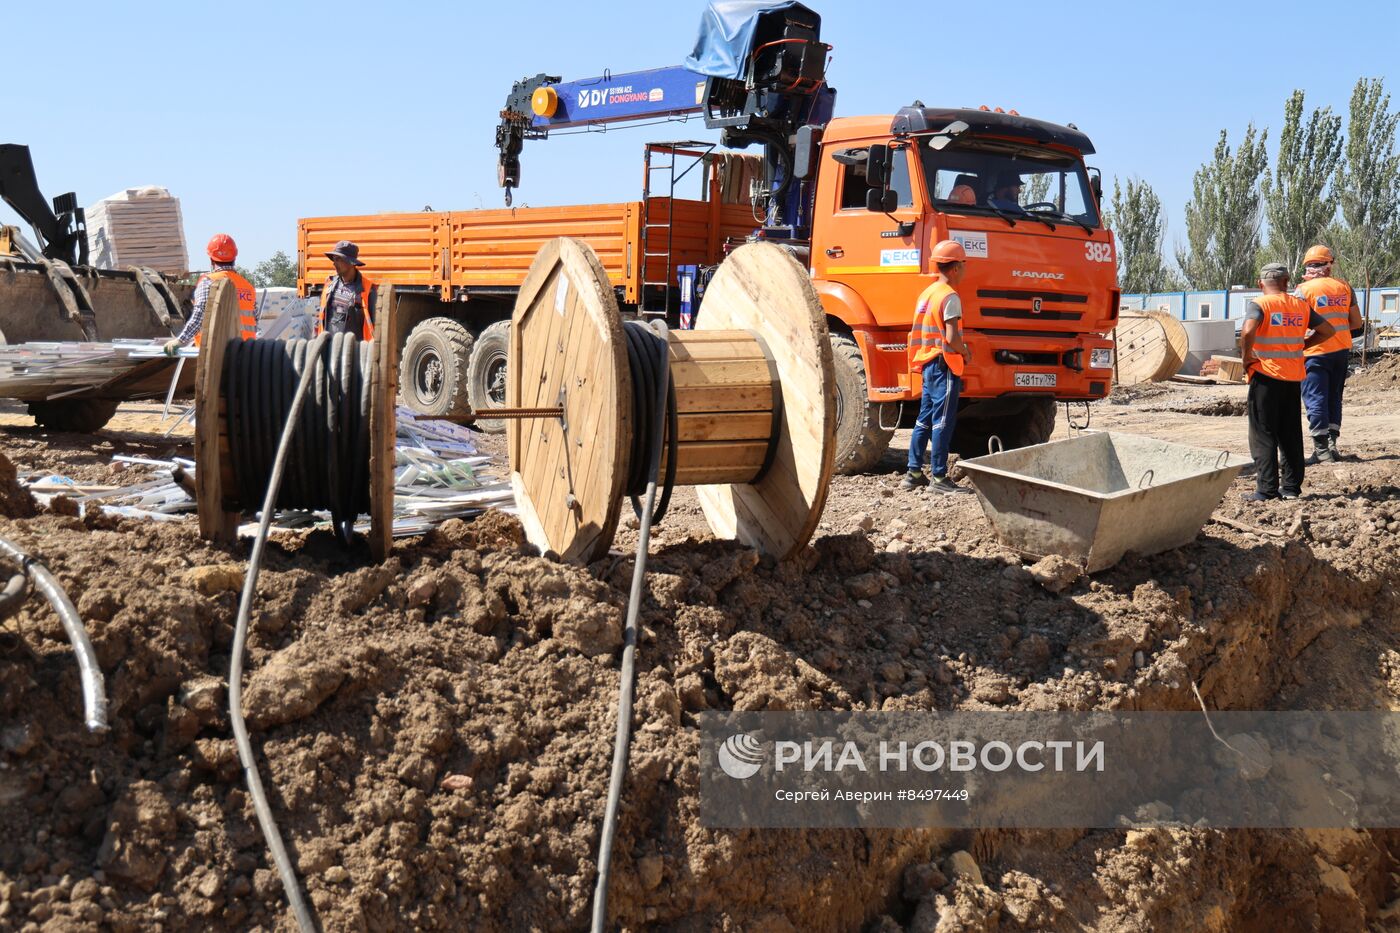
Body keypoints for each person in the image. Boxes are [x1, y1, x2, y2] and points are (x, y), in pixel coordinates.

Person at [1239, 262, 1335, 502]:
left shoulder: (1261, 303)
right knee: (1290, 433)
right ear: (1287, 282)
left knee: (1263, 433)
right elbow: (1328, 331)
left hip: (1266, 375)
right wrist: (1303, 345)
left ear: (1261, 284)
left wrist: (1246, 357)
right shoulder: (1301, 306)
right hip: (1293, 378)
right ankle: (1291, 488)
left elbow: (1248, 330)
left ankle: (1266, 490)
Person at [902, 240, 974, 493]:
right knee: (942, 421)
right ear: (955, 268)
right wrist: (965, 352)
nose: (965, 270)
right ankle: (940, 478)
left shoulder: (927, 293)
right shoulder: (950, 296)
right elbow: (953, 337)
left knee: (923, 419)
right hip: (945, 364)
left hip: (928, 363)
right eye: (963, 265)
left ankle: (913, 472)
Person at [1295, 244, 1363, 463]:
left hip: (1314, 352)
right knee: (1334, 398)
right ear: (1329, 265)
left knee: (1315, 398)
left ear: (1308, 266)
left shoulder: (1303, 291)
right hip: (1340, 351)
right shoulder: (1344, 287)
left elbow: (1295, 325)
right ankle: (1332, 446)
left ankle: (1321, 451)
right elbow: (1356, 323)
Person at [162, 234, 257, 354]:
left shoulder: (208, 282)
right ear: (234, 257)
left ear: (211, 259)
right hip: (247, 353)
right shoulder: (247, 286)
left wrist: (180, 341)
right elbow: (254, 320)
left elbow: (199, 316)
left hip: (217, 354)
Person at [317, 240, 377, 340]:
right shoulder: (329, 285)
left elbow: (376, 326)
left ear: (350, 262)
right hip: (330, 350)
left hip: (355, 351)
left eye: (338, 259)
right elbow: (321, 317)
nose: (334, 264)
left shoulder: (368, 289)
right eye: (334, 260)